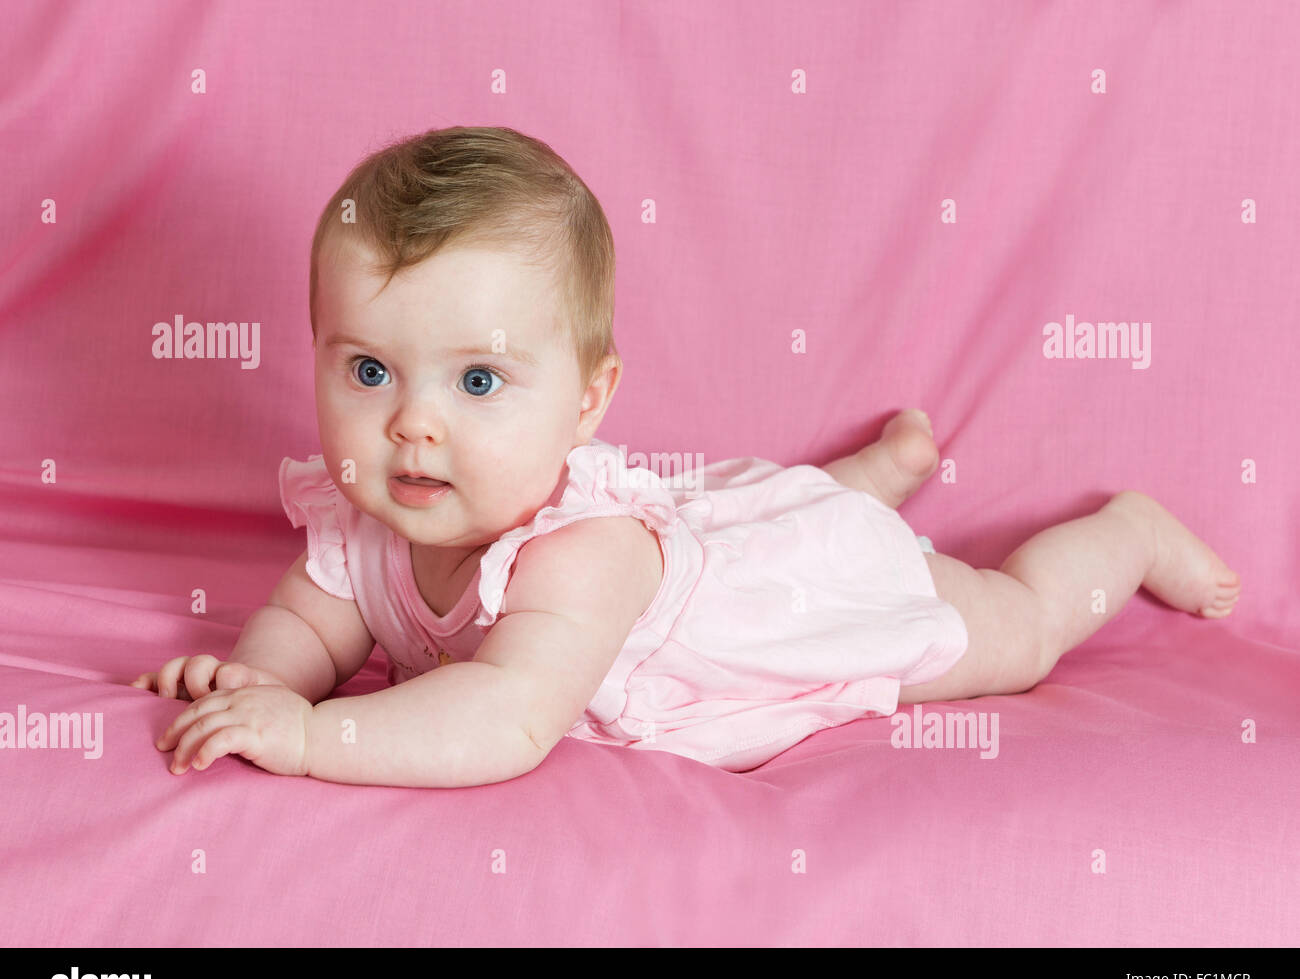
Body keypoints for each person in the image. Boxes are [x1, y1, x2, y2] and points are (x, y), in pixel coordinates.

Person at [132, 126, 1240, 786]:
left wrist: (315, 738)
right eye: (369, 370)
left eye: (477, 382)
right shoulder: (366, 511)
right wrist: (255, 684)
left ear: (587, 403)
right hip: (706, 520)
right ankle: (869, 474)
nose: (412, 426)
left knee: (1013, 631)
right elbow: (309, 623)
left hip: (795, 598)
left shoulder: (582, 556)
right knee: (740, 499)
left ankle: (1122, 531)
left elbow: (506, 716)